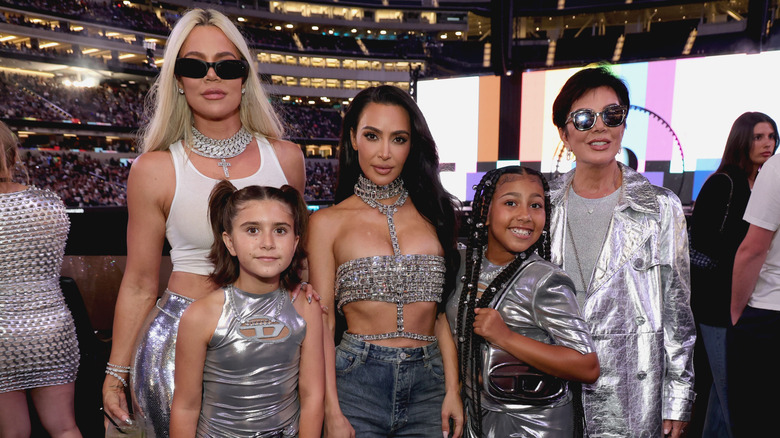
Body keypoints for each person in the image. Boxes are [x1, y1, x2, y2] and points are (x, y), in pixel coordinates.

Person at [101, 9, 305, 438]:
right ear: (178, 79)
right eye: (195, 65)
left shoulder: (286, 159)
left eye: (226, 65)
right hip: (176, 343)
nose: (212, 77)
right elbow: (140, 283)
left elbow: (295, 264)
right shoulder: (153, 169)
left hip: (270, 341)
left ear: (244, 76)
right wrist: (116, 371)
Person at [307, 85, 463, 437]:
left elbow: (438, 316)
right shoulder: (326, 223)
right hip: (355, 383)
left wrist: (453, 390)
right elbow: (323, 323)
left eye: (398, 139)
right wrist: (330, 408)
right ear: (353, 139)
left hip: (430, 385)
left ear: (412, 145)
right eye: (372, 136)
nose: (384, 153)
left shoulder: (434, 214)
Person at [549, 66, 696, 437]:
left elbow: (677, 310)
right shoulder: (543, 204)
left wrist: (678, 397)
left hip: (631, 387)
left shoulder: (661, 207)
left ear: (624, 124)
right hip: (549, 382)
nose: (599, 127)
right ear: (565, 133)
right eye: (583, 118)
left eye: (612, 115)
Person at [446, 166, 599, 437]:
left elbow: (587, 366)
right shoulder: (463, 265)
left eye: (536, 205)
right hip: (476, 417)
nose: (525, 216)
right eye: (510, 203)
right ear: (485, 209)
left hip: (533, 425)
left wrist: (505, 337)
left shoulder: (545, 279)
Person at [170, 181, 324, 437]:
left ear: (295, 243)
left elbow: (312, 397)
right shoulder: (201, 315)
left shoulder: (307, 308)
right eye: (252, 230)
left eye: (280, 231)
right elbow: (185, 407)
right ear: (229, 243)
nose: (267, 242)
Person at [689, 112, 778, 437]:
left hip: (751, 303)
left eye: (771, 136)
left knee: (722, 397)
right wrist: (748, 258)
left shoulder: (765, 183)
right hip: (720, 306)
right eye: (758, 137)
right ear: (742, 140)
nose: (767, 143)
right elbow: (701, 245)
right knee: (733, 397)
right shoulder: (724, 182)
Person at [0, 120, 82, 438]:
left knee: (14, 433)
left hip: (2, 333)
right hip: (51, 328)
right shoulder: (49, 204)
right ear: (12, 154)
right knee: (64, 427)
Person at [729, 151, 780, 437]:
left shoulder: (775, 169)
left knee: (757, 421)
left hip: (770, 311)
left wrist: (737, 312)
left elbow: (753, 250)